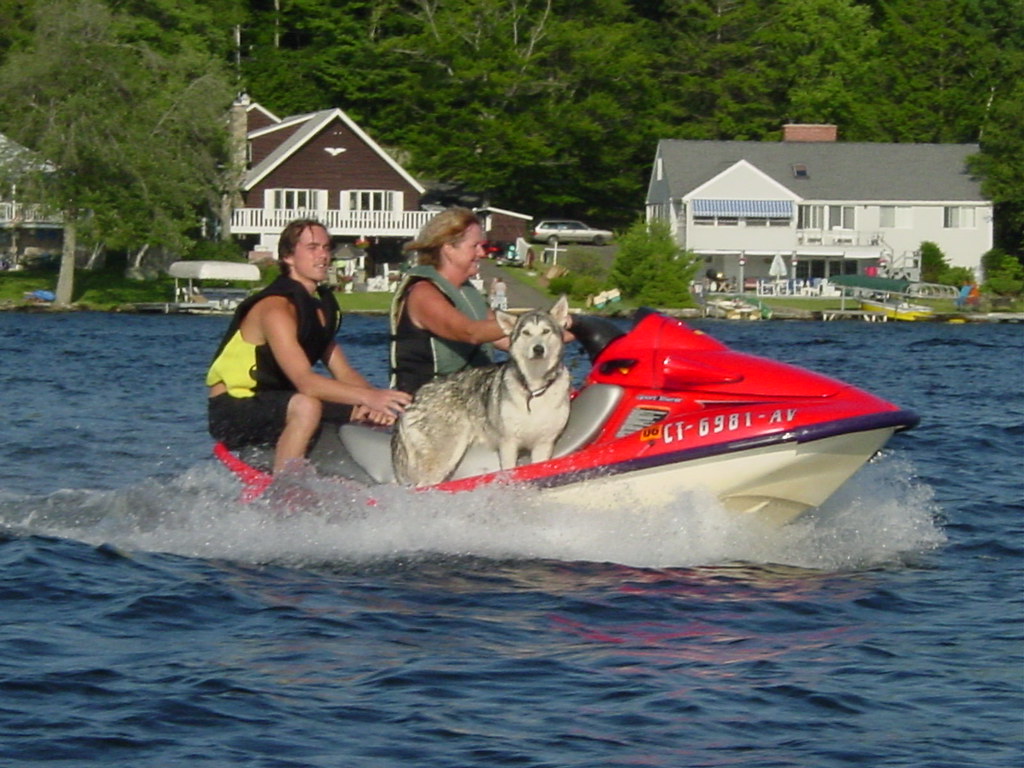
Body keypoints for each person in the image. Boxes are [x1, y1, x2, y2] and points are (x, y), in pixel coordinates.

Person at [206, 219, 411, 474]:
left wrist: (380, 404)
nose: (323, 255)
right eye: (313, 248)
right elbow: (306, 382)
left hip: (278, 401)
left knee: (361, 411)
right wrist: (371, 397)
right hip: (233, 408)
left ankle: (363, 480)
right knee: (307, 405)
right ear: (288, 257)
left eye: (326, 248)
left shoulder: (319, 311)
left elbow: (345, 374)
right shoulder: (275, 308)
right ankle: (284, 490)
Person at [389, 207, 511, 396]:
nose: (482, 253)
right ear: (448, 248)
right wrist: (531, 322)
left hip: (466, 398)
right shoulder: (423, 293)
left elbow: (508, 339)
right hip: (427, 404)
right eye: (475, 246)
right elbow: (470, 333)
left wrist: (568, 326)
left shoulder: (467, 293)